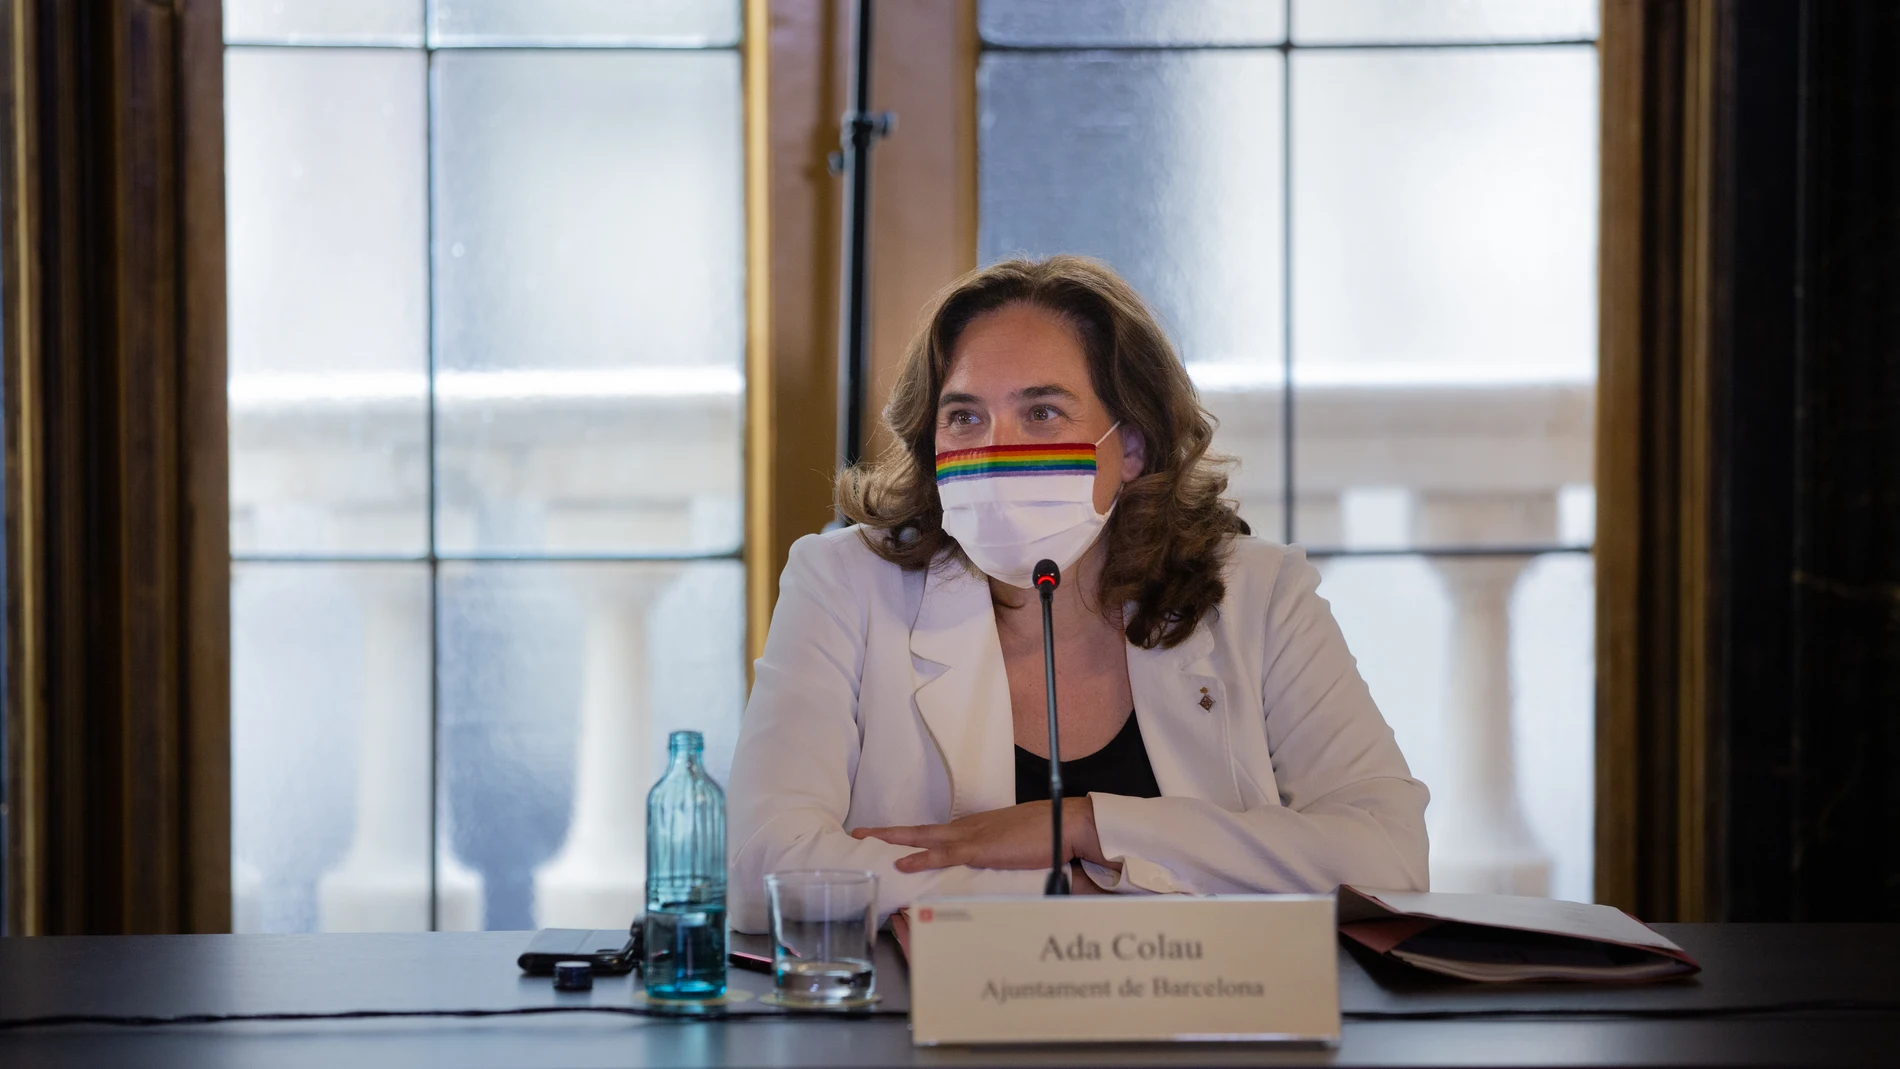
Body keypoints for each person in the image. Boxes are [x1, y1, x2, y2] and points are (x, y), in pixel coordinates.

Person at [726, 255, 1428, 934]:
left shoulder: (1259, 594)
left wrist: (1088, 825)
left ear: (1132, 447)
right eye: (965, 417)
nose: (997, 449)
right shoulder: (843, 582)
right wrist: (1068, 888)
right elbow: (763, 873)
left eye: (1043, 413)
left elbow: (1389, 860)